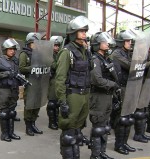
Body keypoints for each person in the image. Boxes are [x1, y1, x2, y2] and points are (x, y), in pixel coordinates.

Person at [55, 15, 93, 159]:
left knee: (78, 130)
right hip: (73, 95)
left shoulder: (84, 51)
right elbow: (60, 79)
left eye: (85, 31)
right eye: (81, 31)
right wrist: (62, 101)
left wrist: (88, 51)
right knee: (68, 133)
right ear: (73, 33)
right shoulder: (66, 52)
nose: (84, 33)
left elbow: (90, 70)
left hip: (84, 95)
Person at [89, 32, 118, 159]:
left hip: (107, 95)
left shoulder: (105, 58)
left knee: (105, 126)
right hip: (98, 97)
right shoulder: (95, 59)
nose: (107, 44)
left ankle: (102, 152)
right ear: (97, 45)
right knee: (98, 126)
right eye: (104, 42)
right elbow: (98, 80)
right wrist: (113, 84)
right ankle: (95, 155)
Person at [109, 31, 136, 155]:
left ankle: (124, 143)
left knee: (129, 117)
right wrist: (147, 64)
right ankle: (119, 145)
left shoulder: (127, 53)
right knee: (122, 118)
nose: (130, 43)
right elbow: (131, 66)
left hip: (129, 86)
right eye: (127, 41)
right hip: (121, 87)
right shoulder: (116, 54)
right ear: (121, 42)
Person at [0, 38, 21, 142]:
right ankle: (4, 134)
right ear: (5, 50)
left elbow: (17, 73)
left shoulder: (15, 61)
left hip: (14, 88)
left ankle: (11, 132)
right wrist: (6, 74)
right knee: (4, 113)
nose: (12, 51)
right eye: (10, 49)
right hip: (3, 90)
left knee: (12, 112)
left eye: (14, 49)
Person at [19, 32, 43, 136]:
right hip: (30, 83)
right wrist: (33, 68)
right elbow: (21, 68)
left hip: (39, 83)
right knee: (29, 105)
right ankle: (28, 126)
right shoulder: (24, 54)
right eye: (33, 43)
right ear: (29, 43)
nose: (35, 45)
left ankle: (33, 124)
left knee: (36, 105)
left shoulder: (39, 54)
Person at [47, 35, 63, 130]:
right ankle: (51, 122)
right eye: (55, 45)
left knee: (57, 103)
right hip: (51, 80)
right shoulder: (49, 55)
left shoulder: (58, 54)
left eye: (57, 46)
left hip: (58, 80)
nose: (56, 47)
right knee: (52, 103)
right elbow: (54, 65)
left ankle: (56, 120)